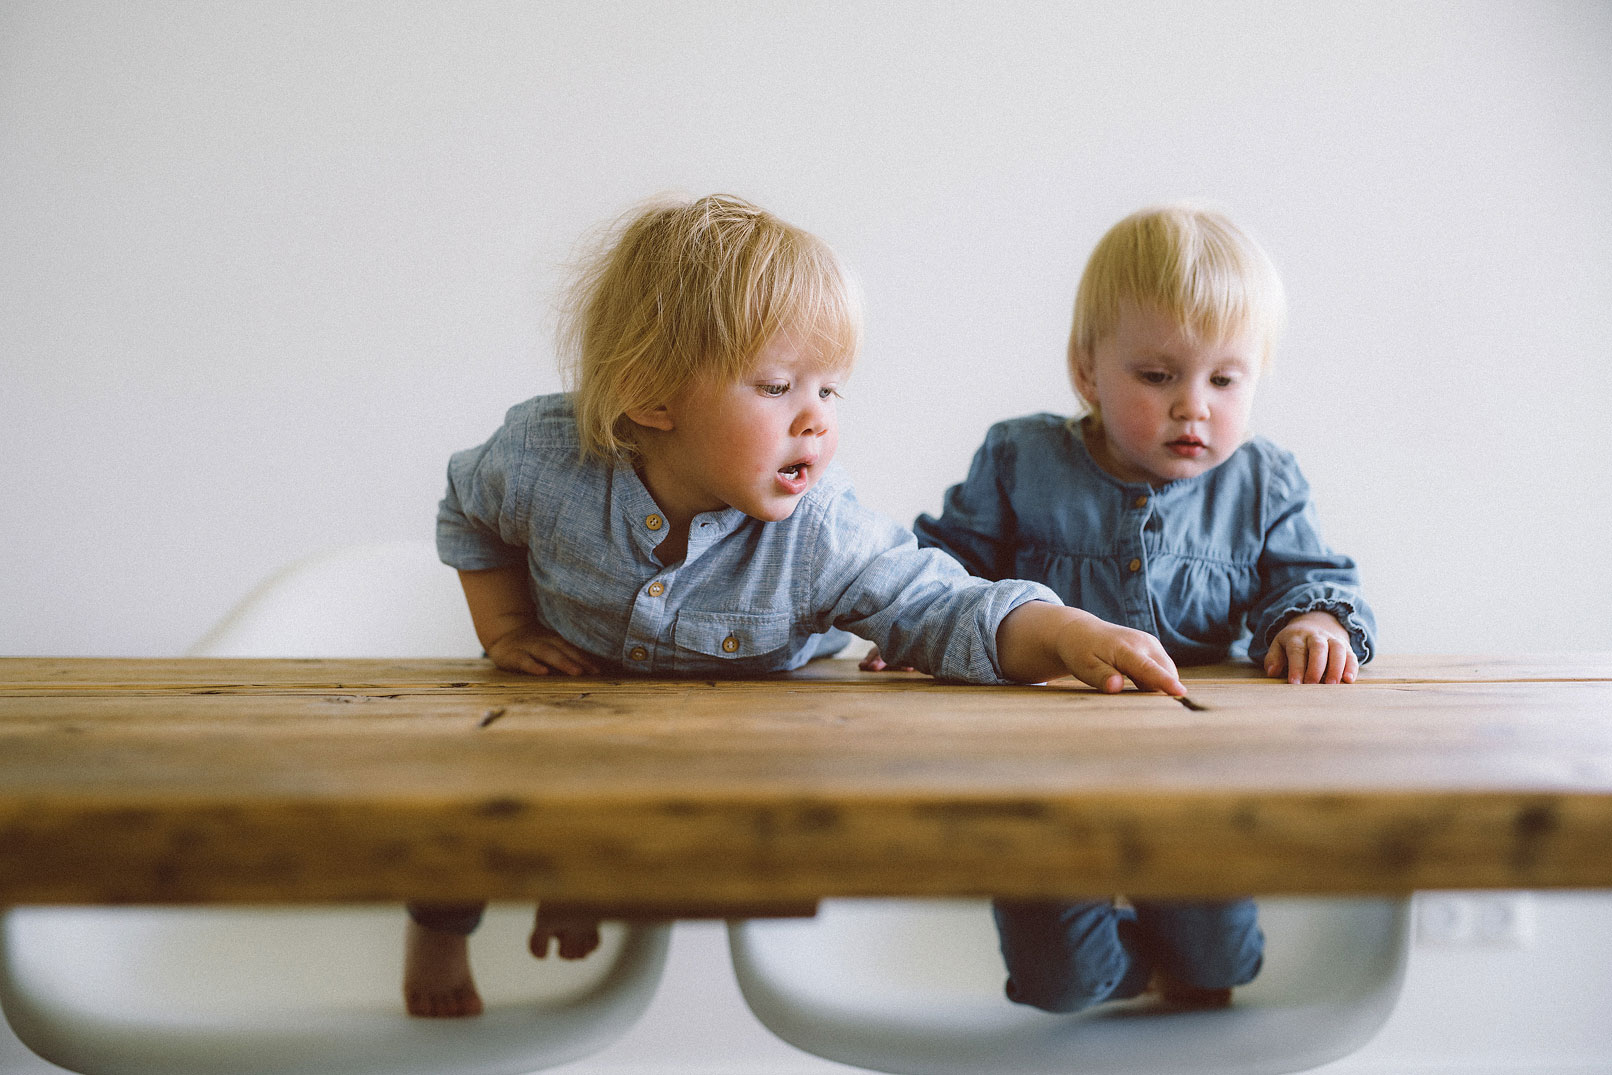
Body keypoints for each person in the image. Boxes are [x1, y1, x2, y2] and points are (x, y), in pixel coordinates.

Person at [404, 193, 1187, 1018]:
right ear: (650, 396)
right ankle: (441, 924)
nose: (815, 418)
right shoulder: (541, 461)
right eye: (779, 385)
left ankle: (587, 873)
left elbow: (938, 604)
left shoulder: (819, 530)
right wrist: (508, 629)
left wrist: (1066, 631)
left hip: (750, 738)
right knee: (466, 772)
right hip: (577, 709)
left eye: (830, 391)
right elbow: (468, 508)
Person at [867, 203, 1376, 1013]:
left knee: (1220, 963)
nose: (1194, 406)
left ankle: (1181, 962)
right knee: (1058, 980)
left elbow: (1311, 576)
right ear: (1086, 373)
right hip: (1039, 772)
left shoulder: (1263, 482)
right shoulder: (1020, 458)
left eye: (1224, 378)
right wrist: (911, 626)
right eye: (1157, 375)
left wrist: (1313, 621)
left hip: (1196, 773)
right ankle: (1119, 967)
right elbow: (943, 564)